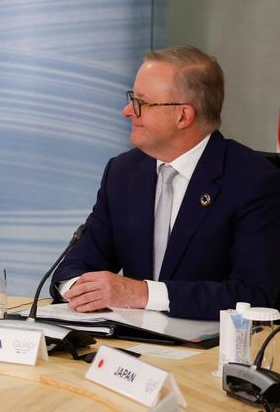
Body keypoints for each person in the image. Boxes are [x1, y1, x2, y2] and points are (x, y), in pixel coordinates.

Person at [50, 46, 280, 320]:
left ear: (183, 115)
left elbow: (253, 295)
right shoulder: (123, 172)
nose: (127, 111)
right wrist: (81, 290)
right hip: (128, 345)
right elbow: (74, 266)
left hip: (211, 350)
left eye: (141, 103)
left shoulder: (254, 180)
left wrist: (144, 294)